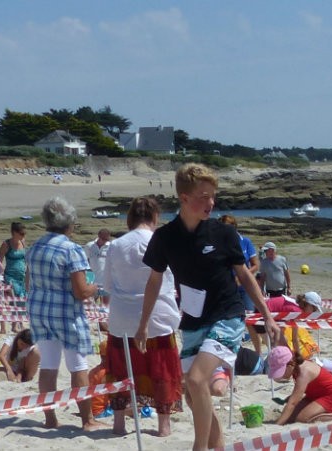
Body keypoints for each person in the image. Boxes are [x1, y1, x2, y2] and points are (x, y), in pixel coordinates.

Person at [136, 165, 278, 451]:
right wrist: (142, 325)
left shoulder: (223, 233)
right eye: (204, 196)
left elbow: (245, 276)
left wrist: (267, 315)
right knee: (192, 393)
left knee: (199, 379)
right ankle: (219, 445)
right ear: (184, 197)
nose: (211, 203)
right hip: (192, 320)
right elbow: (153, 281)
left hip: (227, 315)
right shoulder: (164, 237)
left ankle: (199, 448)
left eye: (213, 196)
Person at [103, 197, 183, 437]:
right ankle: (163, 424)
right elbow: (170, 281)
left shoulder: (116, 246)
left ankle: (119, 422)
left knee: (121, 369)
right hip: (157, 316)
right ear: (154, 217)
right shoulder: (162, 241)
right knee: (162, 369)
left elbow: (107, 284)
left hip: (122, 316)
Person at [24, 198, 103, 430]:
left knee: (48, 366)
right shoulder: (72, 249)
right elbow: (80, 291)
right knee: (78, 366)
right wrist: (95, 288)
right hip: (66, 314)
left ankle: (50, 419)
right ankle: (87, 420)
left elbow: (29, 282)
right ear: (69, 224)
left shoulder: (34, 247)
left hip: (40, 311)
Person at [269, 346, 332, 425]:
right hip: (314, 394)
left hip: (331, 395)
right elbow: (297, 394)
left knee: (302, 418)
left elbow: (293, 403)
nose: (282, 375)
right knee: (291, 416)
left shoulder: (304, 372)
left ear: (290, 365)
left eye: (282, 370)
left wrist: (278, 425)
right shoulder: (296, 367)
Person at [0, 222, 29, 299]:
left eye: (24, 233)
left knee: (23, 298)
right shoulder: (6, 244)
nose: (23, 236)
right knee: (17, 297)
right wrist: (0, 274)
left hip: (22, 277)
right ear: (14, 232)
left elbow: (26, 258)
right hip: (10, 277)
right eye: (22, 233)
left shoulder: (23, 242)